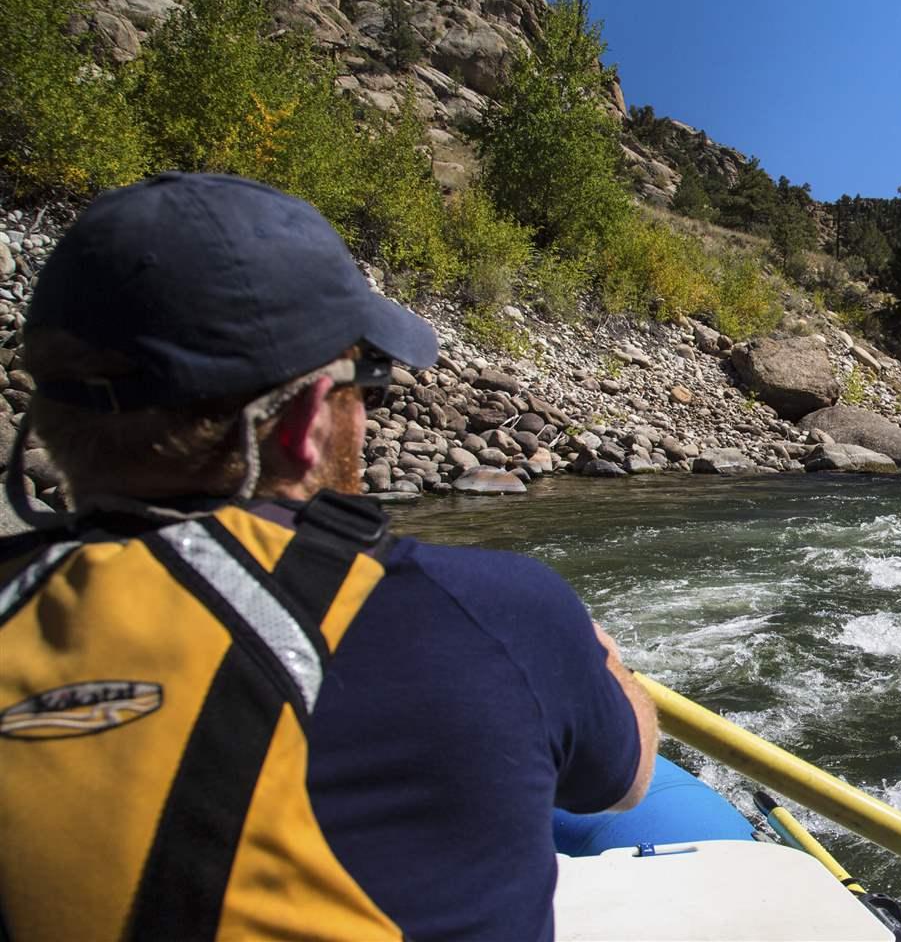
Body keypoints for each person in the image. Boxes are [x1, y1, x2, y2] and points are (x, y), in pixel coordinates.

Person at [0, 172, 656, 941]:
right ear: (307, 418)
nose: (371, 412)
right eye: (369, 381)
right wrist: (597, 662)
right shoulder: (498, 614)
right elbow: (627, 778)